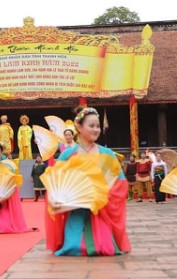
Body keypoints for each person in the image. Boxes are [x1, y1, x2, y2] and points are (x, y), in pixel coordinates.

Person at [46, 107, 130, 256]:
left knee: (104, 248)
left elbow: (120, 185)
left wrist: (101, 195)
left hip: (100, 211)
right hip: (75, 210)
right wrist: (53, 198)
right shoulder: (68, 154)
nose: (96, 129)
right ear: (79, 127)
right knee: (73, 248)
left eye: (98, 126)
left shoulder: (107, 154)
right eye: (91, 126)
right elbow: (55, 182)